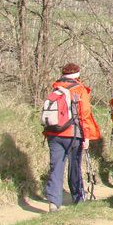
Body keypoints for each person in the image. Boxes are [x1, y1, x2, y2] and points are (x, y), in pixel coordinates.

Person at [43, 63, 101, 212]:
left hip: (53, 133)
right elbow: (84, 115)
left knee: (55, 167)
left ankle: (53, 202)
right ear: (78, 75)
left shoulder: (56, 88)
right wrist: (87, 136)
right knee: (74, 166)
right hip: (73, 134)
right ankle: (78, 198)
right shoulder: (79, 89)